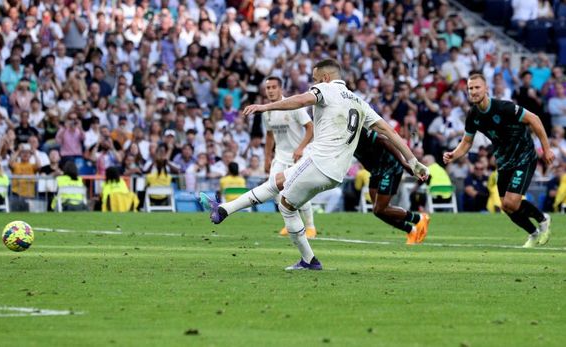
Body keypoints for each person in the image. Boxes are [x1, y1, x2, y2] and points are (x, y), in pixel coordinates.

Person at [200, 59, 428, 270]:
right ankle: (224, 210)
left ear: (326, 78)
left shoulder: (326, 89)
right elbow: (389, 131)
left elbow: (301, 100)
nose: (313, 84)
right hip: (335, 173)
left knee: (286, 205)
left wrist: (265, 106)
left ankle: (308, 260)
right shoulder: (359, 102)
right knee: (276, 183)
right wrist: (414, 161)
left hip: (319, 161)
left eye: (315, 79)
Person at [444, 73, 553, 248]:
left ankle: (543, 219)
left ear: (486, 88)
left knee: (512, 202)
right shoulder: (473, 115)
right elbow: (466, 142)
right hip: (504, 162)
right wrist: (453, 154)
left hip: (524, 157)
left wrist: (546, 149)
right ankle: (533, 234)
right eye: (470, 88)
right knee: (505, 206)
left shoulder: (504, 107)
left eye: (477, 87)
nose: (473, 91)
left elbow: (534, 119)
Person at [261, 76, 317, 239]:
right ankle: (290, 225)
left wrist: (301, 148)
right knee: (275, 189)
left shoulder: (293, 106)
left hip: (297, 156)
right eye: (268, 88)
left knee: (299, 191)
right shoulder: (267, 111)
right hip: (280, 156)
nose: (270, 90)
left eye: (273, 87)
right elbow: (269, 136)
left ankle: (310, 227)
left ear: (280, 89)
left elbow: (310, 128)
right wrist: (267, 158)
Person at [353, 128, 430, 245]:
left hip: (390, 167)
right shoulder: (340, 139)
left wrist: (404, 163)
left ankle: (419, 218)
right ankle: (411, 230)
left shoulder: (357, 130)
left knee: (380, 208)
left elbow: (384, 140)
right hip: (376, 170)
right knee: (377, 211)